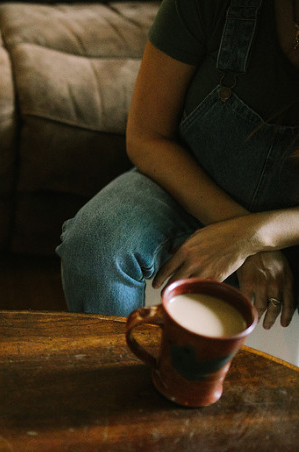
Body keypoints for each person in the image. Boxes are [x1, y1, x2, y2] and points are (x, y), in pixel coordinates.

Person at [56, 0, 299, 330]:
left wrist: (257, 235)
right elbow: (146, 137)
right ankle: (113, 374)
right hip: (187, 186)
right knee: (96, 244)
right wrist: (236, 229)